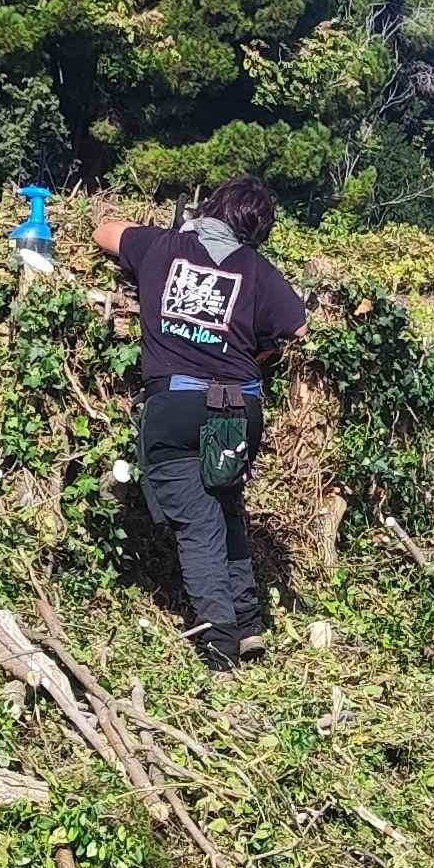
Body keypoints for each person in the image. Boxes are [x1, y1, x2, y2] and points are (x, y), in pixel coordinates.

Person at [91, 173, 308, 663]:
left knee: (197, 522)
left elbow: (103, 231)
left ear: (209, 208)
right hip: (239, 407)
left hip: (177, 405)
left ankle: (220, 641)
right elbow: (298, 325)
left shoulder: (162, 248)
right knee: (225, 504)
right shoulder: (256, 269)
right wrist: (260, 354)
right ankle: (249, 624)